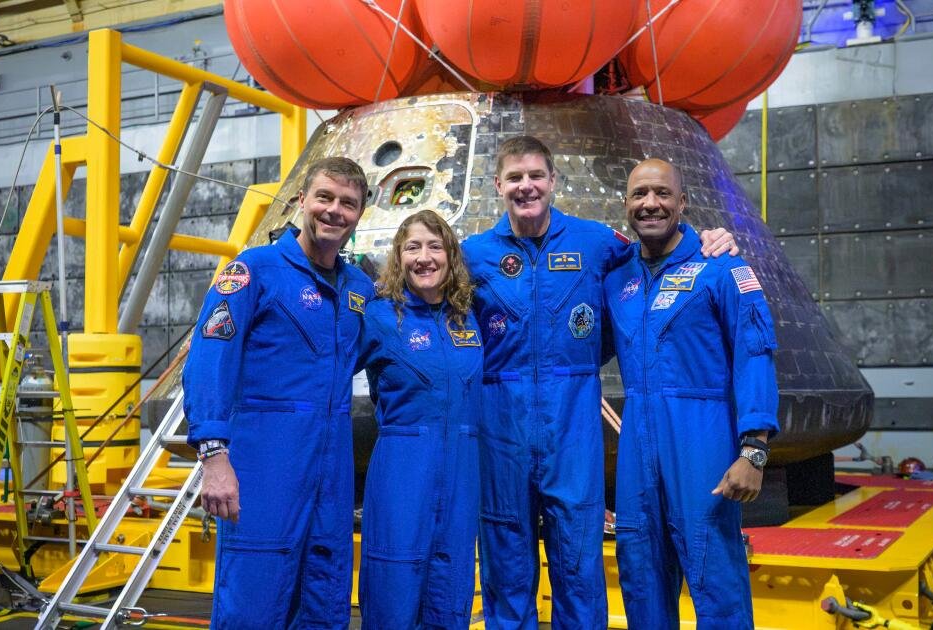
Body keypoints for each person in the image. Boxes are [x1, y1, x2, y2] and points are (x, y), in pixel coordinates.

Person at [461, 136, 740, 629]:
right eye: (515, 177)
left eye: (536, 175)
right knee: (505, 560)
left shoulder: (597, 243)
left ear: (553, 181)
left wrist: (711, 240)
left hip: (572, 425)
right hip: (501, 424)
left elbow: (659, 251)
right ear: (498, 184)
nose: (527, 186)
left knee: (578, 562)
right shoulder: (473, 255)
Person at [182, 157, 374, 629]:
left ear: (359, 213)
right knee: (254, 599)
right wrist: (213, 457)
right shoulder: (254, 270)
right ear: (301, 200)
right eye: (324, 197)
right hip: (265, 464)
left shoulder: (360, 289)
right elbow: (209, 360)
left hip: (332, 471)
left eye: (348, 203)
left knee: (324, 599)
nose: (334, 211)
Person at [603, 158, 779, 629]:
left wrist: (754, 450)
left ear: (682, 202)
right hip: (638, 444)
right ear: (626, 204)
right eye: (639, 194)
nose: (650, 204)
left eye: (662, 193)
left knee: (714, 570)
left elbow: (755, 354)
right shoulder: (616, 277)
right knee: (640, 570)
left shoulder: (721, 266)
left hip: (702, 440)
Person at [357, 210, 483, 628]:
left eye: (435, 247)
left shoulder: (468, 317)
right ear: (399, 256)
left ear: (451, 256)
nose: (424, 257)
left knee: (451, 588)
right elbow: (324, 372)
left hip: (463, 471)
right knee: (393, 585)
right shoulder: (379, 317)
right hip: (402, 469)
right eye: (413, 247)